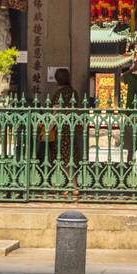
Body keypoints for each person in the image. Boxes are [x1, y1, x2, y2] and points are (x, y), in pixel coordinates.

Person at [51, 68, 79, 198]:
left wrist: (48, 128)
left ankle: (73, 186)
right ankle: (72, 186)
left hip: (62, 129)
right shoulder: (73, 92)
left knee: (64, 158)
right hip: (72, 127)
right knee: (71, 158)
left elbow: (55, 113)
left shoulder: (58, 94)